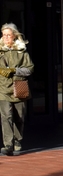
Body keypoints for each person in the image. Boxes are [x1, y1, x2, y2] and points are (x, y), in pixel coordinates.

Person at [0, 23, 34, 156]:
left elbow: (30, 69)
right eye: (4, 35)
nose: (6, 37)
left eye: (9, 35)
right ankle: (8, 144)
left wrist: (15, 71)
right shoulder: (0, 50)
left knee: (19, 117)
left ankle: (17, 141)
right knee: (6, 116)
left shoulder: (22, 51)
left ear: (14, 36)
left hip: (18, 87)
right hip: (2, 88)